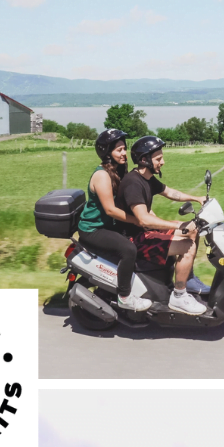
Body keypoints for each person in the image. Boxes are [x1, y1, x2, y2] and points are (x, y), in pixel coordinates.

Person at [115, 136, 207, 316]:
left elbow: (169, 192)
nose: (162, 162)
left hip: (143, 231)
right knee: (187, 246)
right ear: (144, 160)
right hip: (136, 238)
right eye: (158, 159)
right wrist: (179, 228)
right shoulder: (133, 183)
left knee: (193, 231)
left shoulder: (147, 178)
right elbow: (143, 220)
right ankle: (179, 296)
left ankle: (188, 279)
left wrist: (196, 198)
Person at [78, 129, 151, 312]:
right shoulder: (102, 175)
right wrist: (137, 220)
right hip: (93, 229)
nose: (124, 153)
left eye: (124, 148)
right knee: (128, 249)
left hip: (108, 226)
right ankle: (125, 296)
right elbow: (110, 210)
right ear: (107, 152)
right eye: (119, 150)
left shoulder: (119, 171)